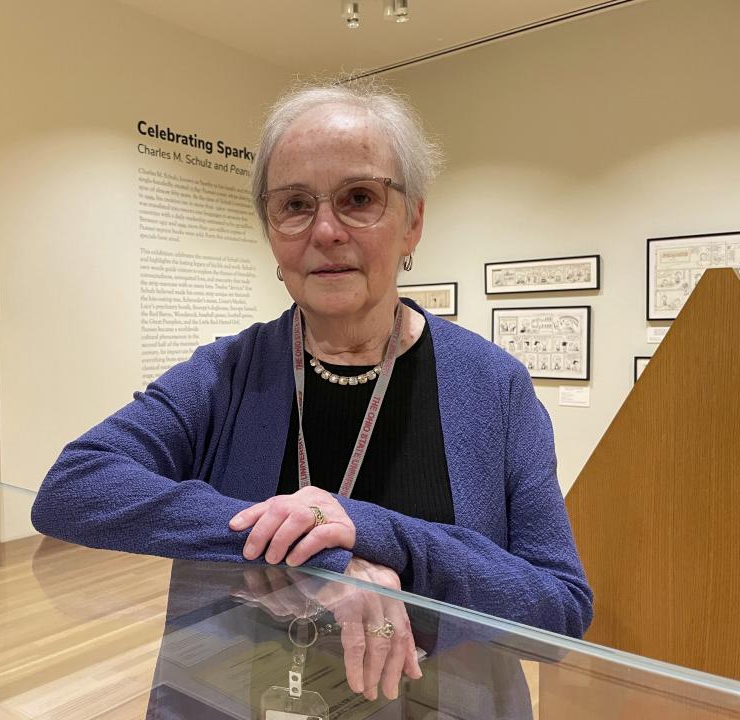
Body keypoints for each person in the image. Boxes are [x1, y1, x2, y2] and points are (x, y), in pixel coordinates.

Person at [31, 79, 592, 704]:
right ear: (272, 235)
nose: (325, 231)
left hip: (439, 706)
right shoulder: (228, 373)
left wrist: (372, 536)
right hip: (241, 700)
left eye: (359, 197)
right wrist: (322, 560)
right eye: (294, 205)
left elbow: (560, 611)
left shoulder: (493, 388)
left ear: (413, 223)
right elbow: (73, 487)